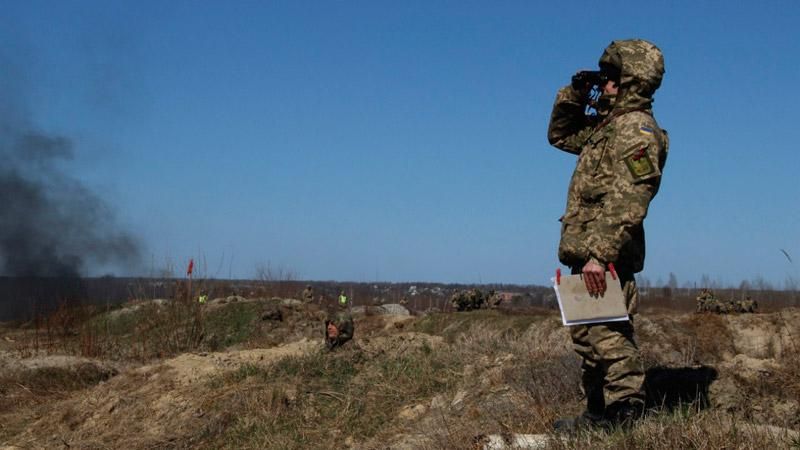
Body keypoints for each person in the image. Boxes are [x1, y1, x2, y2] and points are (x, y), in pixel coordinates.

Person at [547, 39, 668, 431]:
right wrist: (575, 94)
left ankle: (626, 415)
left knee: (609, 335)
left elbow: (633, 196)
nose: (605, 85)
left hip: (607, 256)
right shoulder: (607, 128)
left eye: (612, 79)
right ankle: (598, 414)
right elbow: (561, 135)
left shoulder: (637, 130)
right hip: (587, 254)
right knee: (587, 340)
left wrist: (600, 254)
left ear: (632, 81)